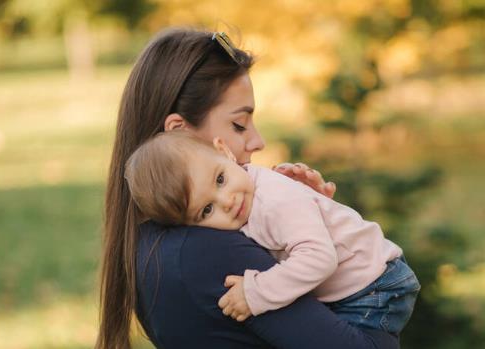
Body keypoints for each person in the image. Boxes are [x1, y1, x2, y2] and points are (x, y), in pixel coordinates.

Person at [96, 27, 401, 349]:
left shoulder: (155, 242)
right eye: (238, 125)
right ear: (179, 131)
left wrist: (307, 218)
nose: (257, 142)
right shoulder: (211, 250)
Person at [124, 130, 420, 336]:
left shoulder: (276, 201)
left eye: (220, 179)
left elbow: (320, 258)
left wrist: (257, 292)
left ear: (224, 151)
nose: (227, 201)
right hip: (353, 284)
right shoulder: (247, 200)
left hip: (375, 284)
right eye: (206, 211)